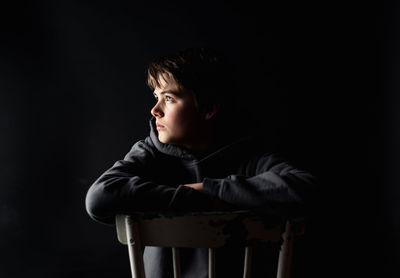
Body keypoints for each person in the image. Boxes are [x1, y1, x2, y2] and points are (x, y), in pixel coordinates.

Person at [85, 47, 317, 277]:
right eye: (156, 97)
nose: (155, 110)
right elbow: (99, 197)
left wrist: (208, 188)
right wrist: (193, 196)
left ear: (208, 108)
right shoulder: (149, 154)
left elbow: (307, 189)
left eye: (169, 98)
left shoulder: (248, 157)